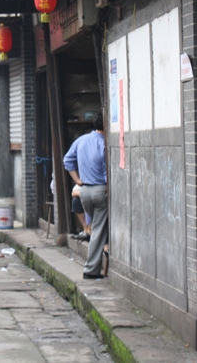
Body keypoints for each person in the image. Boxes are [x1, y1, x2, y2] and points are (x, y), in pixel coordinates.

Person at [63, 111, 107, 280]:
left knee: (96, 227)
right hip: (100, 190)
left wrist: (78, 180)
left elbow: (67, 161)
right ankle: (91, 269)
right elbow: (106, 174)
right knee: (98, 230)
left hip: (85, 191)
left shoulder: (81, 140)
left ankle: (97, 263)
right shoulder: (104, 145)